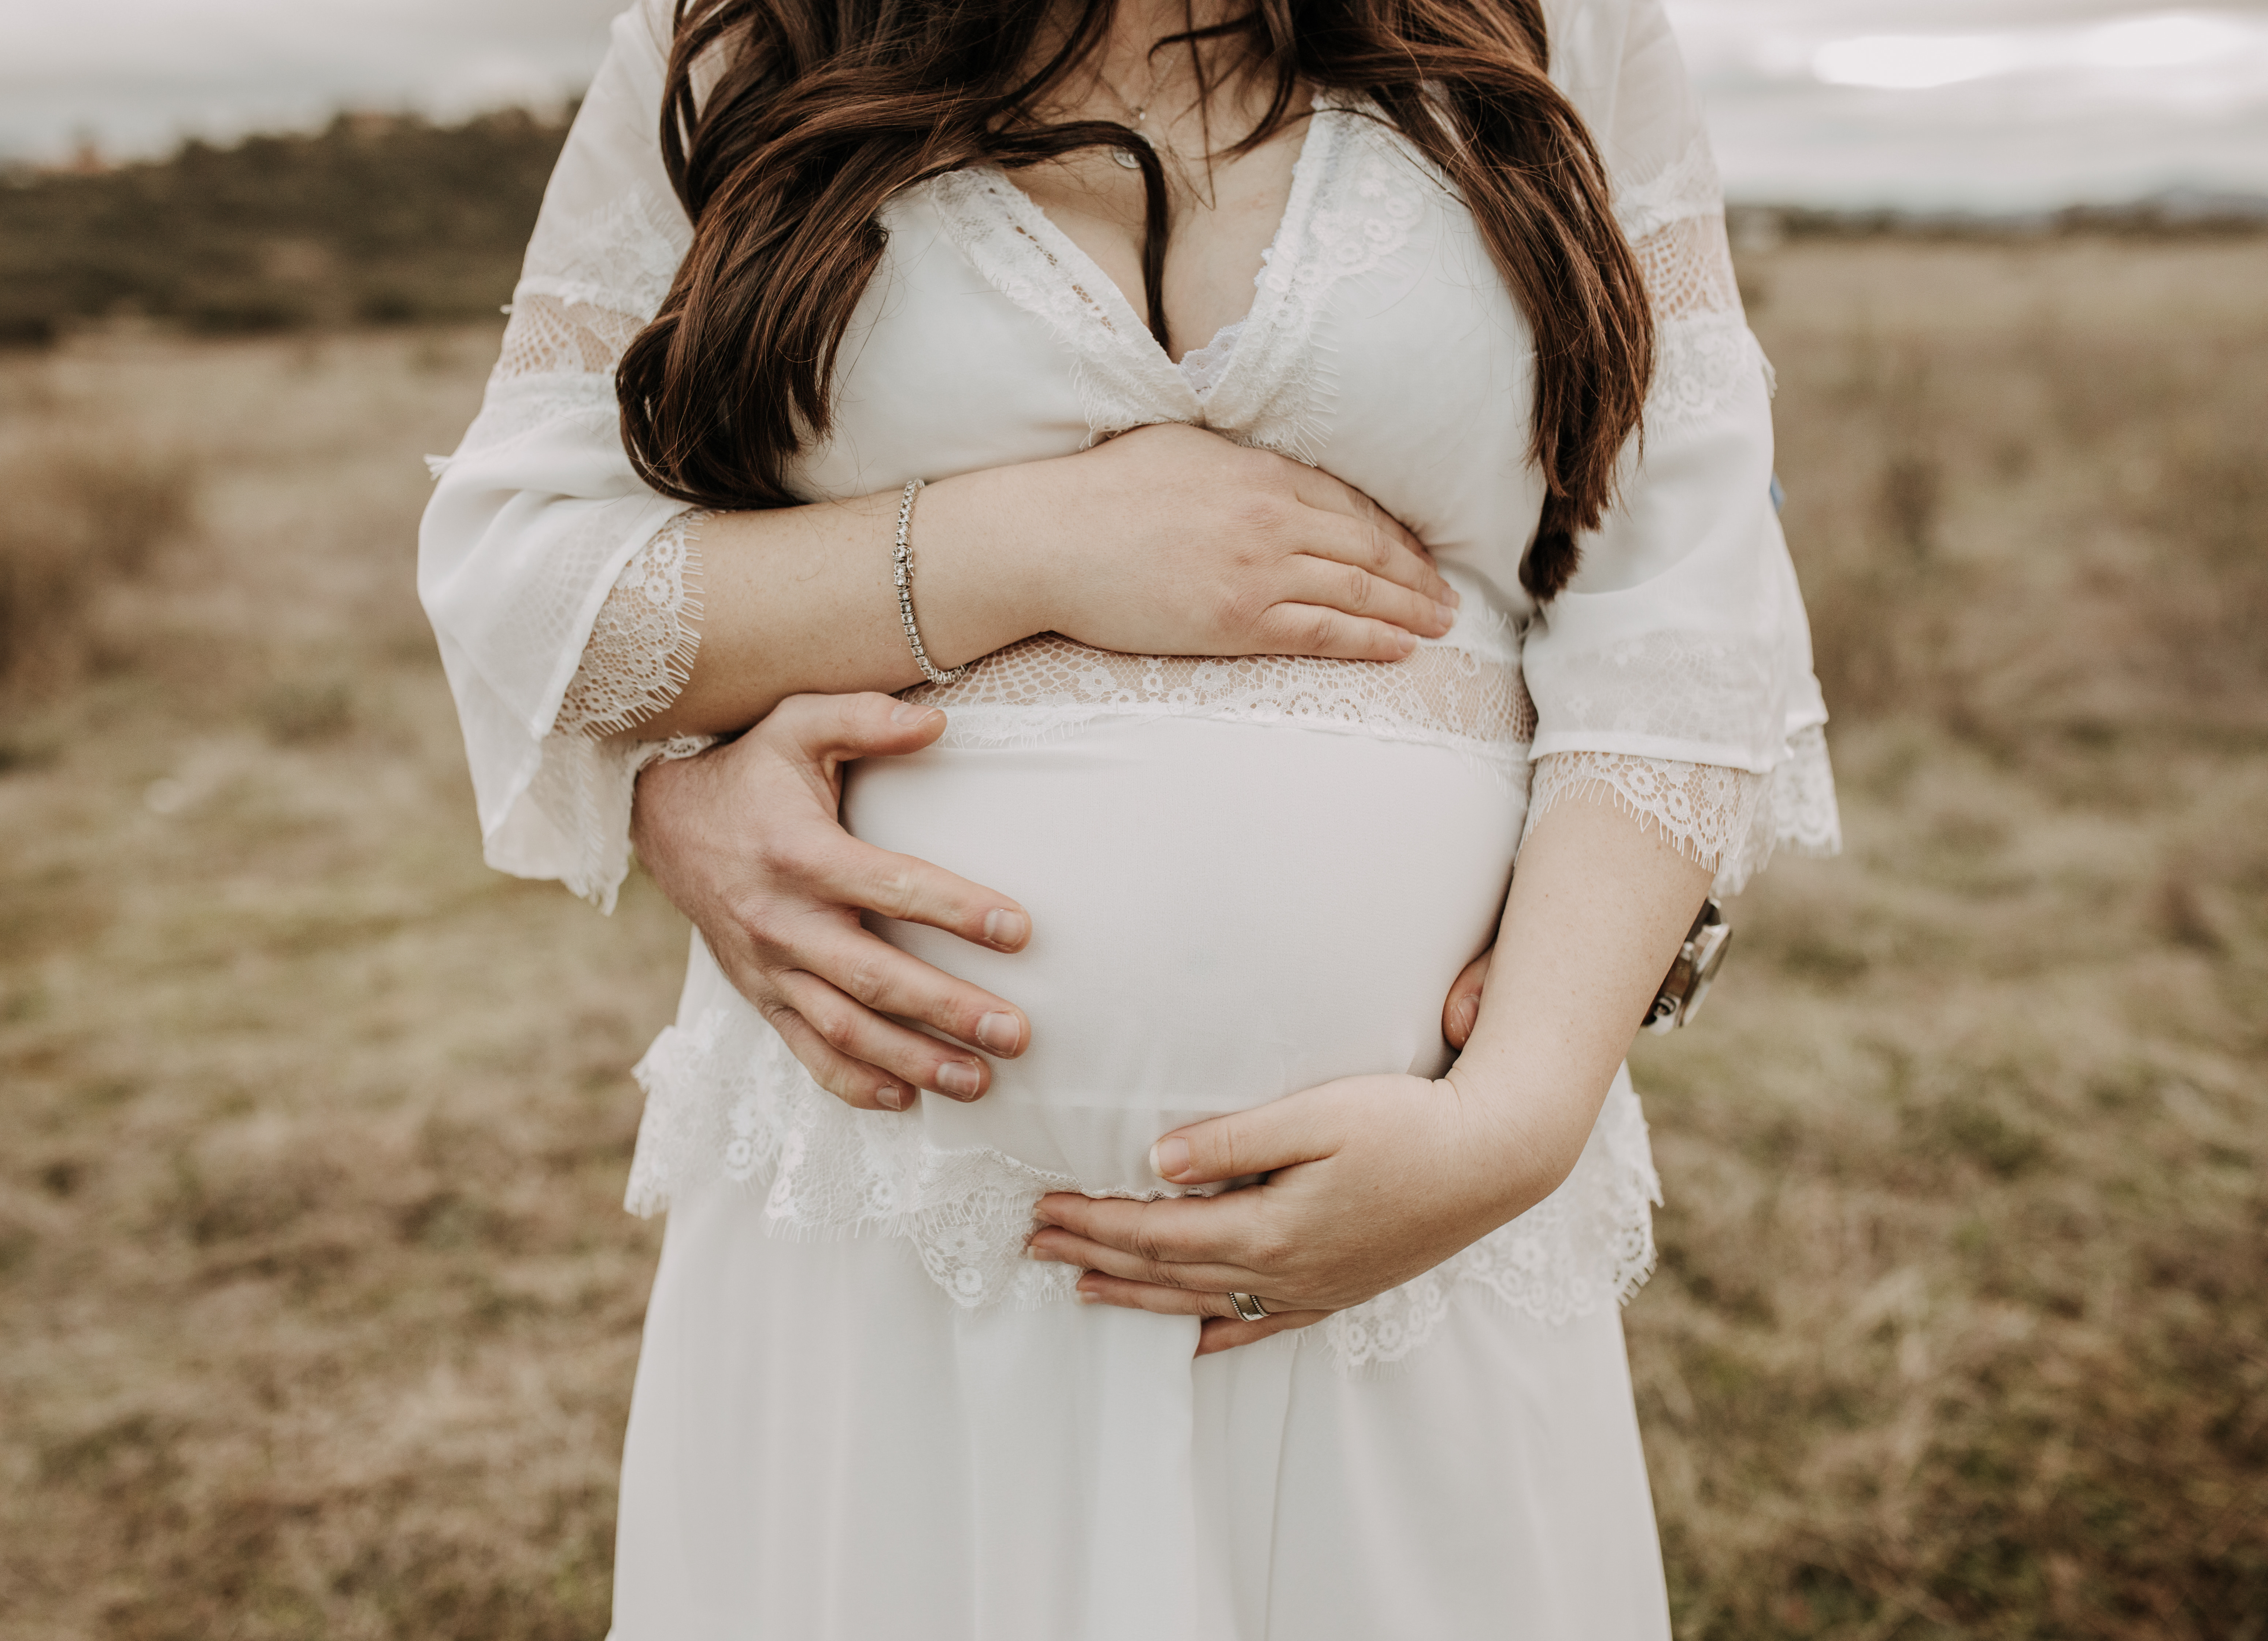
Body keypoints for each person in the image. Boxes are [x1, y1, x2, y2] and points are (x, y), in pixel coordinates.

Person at [418, 0, 1840, 1632]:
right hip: (896, 1252)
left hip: (1408, 1252)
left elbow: (1686, 599)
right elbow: (527, 578)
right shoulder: (751, 36)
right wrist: (1023, 547)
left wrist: (1515, 1118)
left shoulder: (1554, 26)